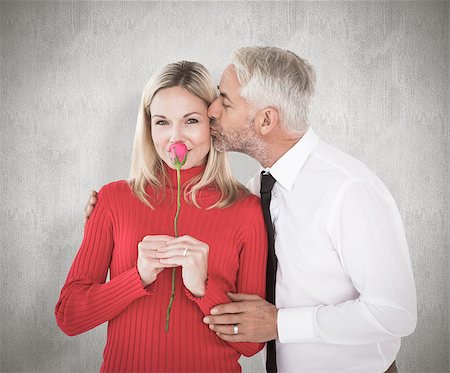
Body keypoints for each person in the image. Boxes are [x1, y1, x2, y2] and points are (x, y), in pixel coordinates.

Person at [85, 47, 417, 373]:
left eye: (225, 101)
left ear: (265, 120)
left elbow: (395, 313)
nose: (211, 110)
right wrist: (109, 215)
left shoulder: (348, 189)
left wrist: (280, 324)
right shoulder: (260, 189)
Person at [56, 61, 268, 372]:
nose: (175, 138)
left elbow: (250, 345)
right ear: (148, 126)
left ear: (212, 123)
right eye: (162, 122)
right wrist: (136, 277)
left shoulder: (246, 210)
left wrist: (203, 289)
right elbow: (69, 317)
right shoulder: (113, 200)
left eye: (191, 121)